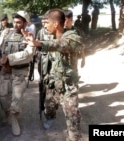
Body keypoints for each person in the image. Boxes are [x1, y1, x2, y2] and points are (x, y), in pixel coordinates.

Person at [24, 9, 83, 141]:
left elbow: (59, 45)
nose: (44, 26)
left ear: (56, 24)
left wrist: (38, 44)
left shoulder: (72, 36)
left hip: (68, 86)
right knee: (49, 107)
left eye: (46, 23)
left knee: (72, 116)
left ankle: (74, 137)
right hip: (53, 82)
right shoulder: (50, 36)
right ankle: (50, 117)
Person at [0, 10, 35, 136]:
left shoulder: (28, 36)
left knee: (16, 99)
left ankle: (14, 119)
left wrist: (9, 58)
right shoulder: (6, 33)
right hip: (4, 70)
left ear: (25, 23)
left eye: (19, 22)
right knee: (2, 95)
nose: (16, 24)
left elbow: (28, 54)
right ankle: (8, 113)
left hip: (19, 71)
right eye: (15, 22)